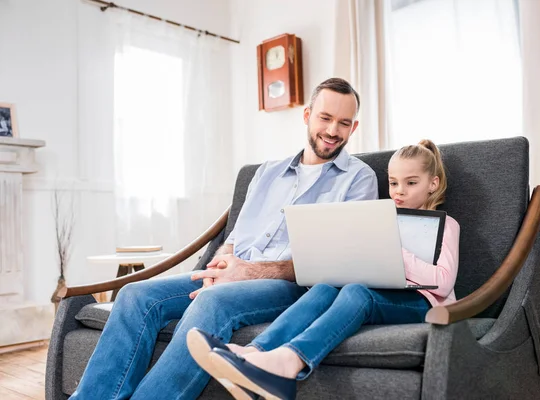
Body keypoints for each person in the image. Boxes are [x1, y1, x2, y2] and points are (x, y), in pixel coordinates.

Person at [69, 78, 378, 400]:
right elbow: (234, 236)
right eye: (325, 118)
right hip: (233, 273)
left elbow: (336, 263)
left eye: (343, 123)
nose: (332, 131)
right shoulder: (267, 172)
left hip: (291, 284)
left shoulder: (359, 179)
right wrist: (220, 268)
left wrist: (249, 273)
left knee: (212, 301)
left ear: (353, 128)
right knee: (135, 295)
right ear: (307, 115)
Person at [188, 139, 460, 400]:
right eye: (393, 183)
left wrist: (395, 252)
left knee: (356, 293)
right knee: (324, 289)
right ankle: (254, 354)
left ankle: (287, 364)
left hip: (426, 304)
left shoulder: (446, 225)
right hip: (383, 292)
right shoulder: (381, 220)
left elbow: (443, 283)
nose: (400, 191)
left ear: (432, 184)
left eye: (411, 183)